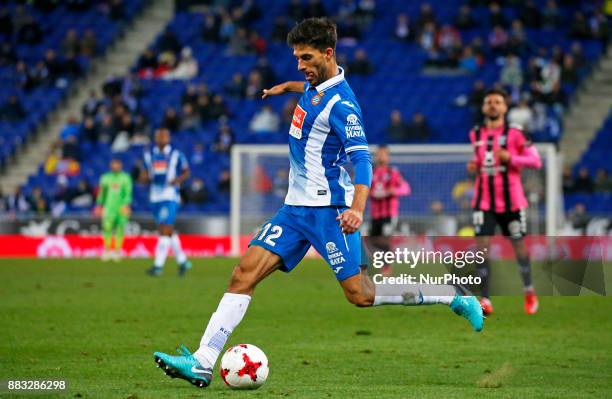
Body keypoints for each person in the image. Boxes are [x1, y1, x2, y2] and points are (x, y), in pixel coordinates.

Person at [152, 18, 483, 389]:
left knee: (360, 294)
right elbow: (309, 90)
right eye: (296, 57)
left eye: (305, 57)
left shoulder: (343, 107)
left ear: (328, 54)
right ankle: (202, 361)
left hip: (330, 211)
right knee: (243, 274)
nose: (299, 65)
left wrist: (357, 209)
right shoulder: (313, 85)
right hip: (294, 210)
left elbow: (362, 160)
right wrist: (286, 87)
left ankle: (450, 295)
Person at [467, 88, 542, 316]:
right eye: (489, 102)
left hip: (512, 202)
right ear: (483, 107)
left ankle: (529, 291)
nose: (492, 105)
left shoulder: (517, 133)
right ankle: (485, 299)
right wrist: (474, 167)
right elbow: (482, 163)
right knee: (482, 249)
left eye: (497, 102)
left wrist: (512, 158)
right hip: (483, 201)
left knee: (519, 246)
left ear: (505, 107)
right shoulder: (476, 133)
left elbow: (536, 161)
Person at [142, 128, 192, 276]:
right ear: (155, 138)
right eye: (159, 135)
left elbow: (186, 172)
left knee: (165, 228)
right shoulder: (149, 155)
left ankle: (158, 266)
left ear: (169, 138)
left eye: (165, 135)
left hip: (170, 196)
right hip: (155, 196)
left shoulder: (176, 155)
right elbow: (145, 173)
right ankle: (183, 262)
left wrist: (177, 180)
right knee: (166, 231)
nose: (162, 138)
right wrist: (144, 178)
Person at [368, 146, 410, 273]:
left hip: (389, 214)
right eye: (378, 154)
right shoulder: (371, 172)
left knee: (385, 238)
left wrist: (393, 190)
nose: (381, 156)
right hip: (375, 213)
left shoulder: (393, 173)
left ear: (388, 156)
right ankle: (382, 263)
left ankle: (387, 268)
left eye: (383, 154)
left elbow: (406, 189)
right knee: (372, 239)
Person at [94, 158, 133, 262]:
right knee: (107, 228)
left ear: (120, 165)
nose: (115, 166)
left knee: (120, 228)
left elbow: (128, 193)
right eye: (113, 164)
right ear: (111, 165)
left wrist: (126, 205)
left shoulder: (125, 178)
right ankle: (107, 250)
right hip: (109, 207)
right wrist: (99, 205)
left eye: (117, 164)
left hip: (121, 207)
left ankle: (117, 251)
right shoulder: (105, 178)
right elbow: (102, 193)